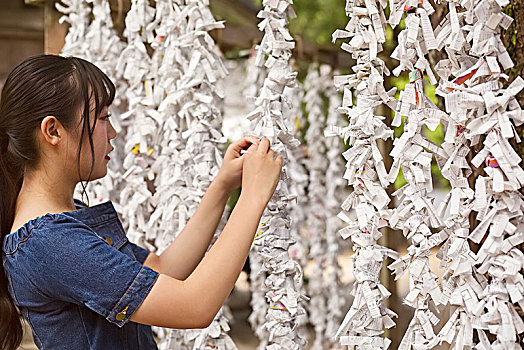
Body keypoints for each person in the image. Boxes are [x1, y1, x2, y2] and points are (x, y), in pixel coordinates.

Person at [0, 55, 282, 350]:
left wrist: (223, 184)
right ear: (53, 131)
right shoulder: (52, 243)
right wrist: (253, 197)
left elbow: (164, 268)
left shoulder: (62, 226)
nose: (113, 132)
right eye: (103, 118)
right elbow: (195, 306)